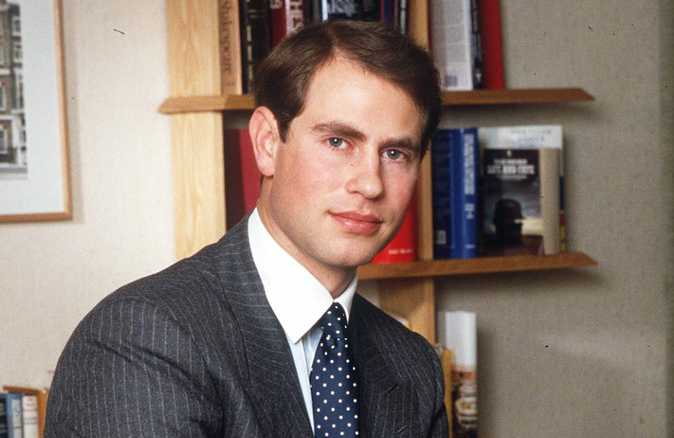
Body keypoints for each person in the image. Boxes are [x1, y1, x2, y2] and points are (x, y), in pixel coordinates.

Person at [45, 19, 446, 438]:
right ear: (267, 143)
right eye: (337, 142)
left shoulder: (413, 364)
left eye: (395, 153)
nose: (370, 184)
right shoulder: (142, 338)